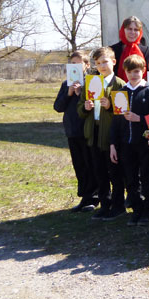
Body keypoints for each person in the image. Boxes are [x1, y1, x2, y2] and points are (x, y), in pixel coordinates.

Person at [78, 46, 126, 221]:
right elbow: (80, 108)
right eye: (98, 63)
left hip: (111, 135)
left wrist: (110, 106)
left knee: (114, 171)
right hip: (94, 132)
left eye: (105, 62)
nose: (102, 66)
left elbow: (123, 113)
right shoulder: (91, 82)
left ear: (113, 62)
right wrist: (85, 107)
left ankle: (119, 205)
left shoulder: (119, 84)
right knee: (99, 171)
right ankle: (105, 204)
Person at [109, 54, 149, 226]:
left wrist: (140, 119)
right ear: (125, 73)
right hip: (125, 144)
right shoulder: (121, 93)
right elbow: (116, 121)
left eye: (137, 71)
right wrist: (113, 144)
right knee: (130, 178)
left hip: (144, 143)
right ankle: (136, 209)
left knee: (147, 177)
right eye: (130, 71)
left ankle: (148, 210)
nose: (134, 75)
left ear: (143, 71)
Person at [53, 50, 97, 212]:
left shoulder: (91, 82)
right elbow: (58, 107)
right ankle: (84, 196)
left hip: (86, 130)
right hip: (72, 131)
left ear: (86, 65)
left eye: (79, 64)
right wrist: (69, 93)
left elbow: (93, 107)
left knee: (90, 163)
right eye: (72, 63)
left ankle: (93, 197)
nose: (75, 66)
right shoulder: (66, 84)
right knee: (79, 165)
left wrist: (80, 94)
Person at [111, 16, 149, 81]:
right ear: (123, 30)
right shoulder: (113, 50)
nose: (132, 32)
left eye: (136, 30)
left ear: (140, 32)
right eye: (129, 29)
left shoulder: (147, 52)